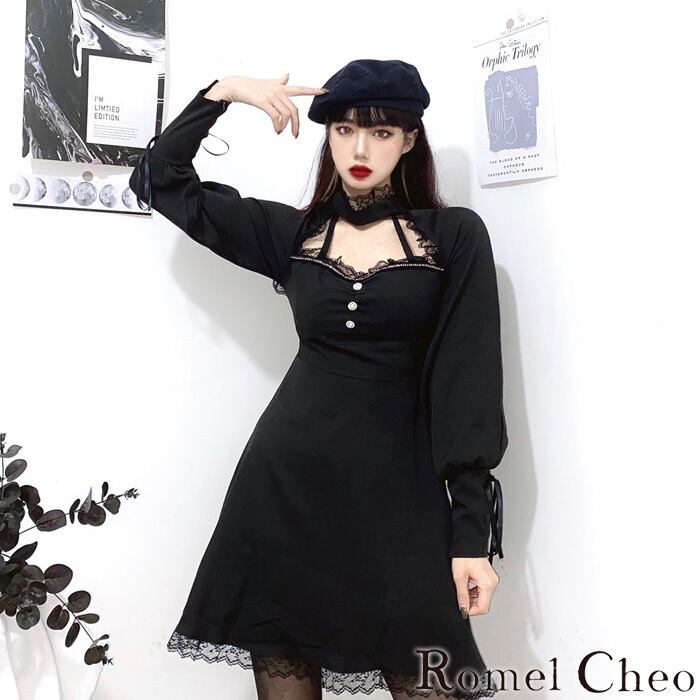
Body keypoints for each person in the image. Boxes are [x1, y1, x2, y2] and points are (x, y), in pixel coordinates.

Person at [129, 58, 508, 700]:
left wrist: (470, 537)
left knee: (435, 678)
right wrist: (223, 93)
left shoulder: (453, 237)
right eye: (344, 130)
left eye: (381, 132)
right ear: (327, 135)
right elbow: (158, 179)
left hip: (402, 503)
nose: (359, 150)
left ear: (410, 140)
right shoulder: (293, 234)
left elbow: (468, 384)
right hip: (285, 494)